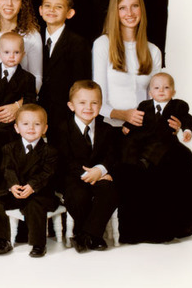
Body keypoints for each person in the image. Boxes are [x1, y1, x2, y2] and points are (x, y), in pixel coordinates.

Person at [118, 72, 192, 243]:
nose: (161, 91)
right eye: (157, 88)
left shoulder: (178, 105)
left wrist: (186, 130)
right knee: (131, 142)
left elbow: (187, 118)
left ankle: (146, 161)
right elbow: (135, 120)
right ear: (150, 92)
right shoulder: (144, 105)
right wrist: (126, 126)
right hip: (144, 142)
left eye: (166, 88)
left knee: (165, 141)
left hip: (166, 143)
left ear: (174, 91)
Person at [55, 80, 119, 253]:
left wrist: (101, 170)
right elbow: (64, 160)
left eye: (94, 103)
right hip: (73, 177)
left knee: (110, 190)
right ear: (71, 105)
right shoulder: (62, 129)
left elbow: (111, 155)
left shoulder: (107, 129)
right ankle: (93, 235)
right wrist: (89, 174)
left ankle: (86, 235)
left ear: (100, 105)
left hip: (100, 175)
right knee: (78, 196)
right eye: (82, 102)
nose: (88, 107)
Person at [0, 104, 59, 258]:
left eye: (37, 124)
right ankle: (2, 240)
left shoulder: (50, 151)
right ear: (16, 128)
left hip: (39, 192)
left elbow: (47, 173)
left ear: (45, 128)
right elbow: (7, 169)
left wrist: (32, 186)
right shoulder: (9, 148)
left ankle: (38, 244)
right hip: (16, 190)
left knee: (35, 205)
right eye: (25, 124)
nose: (31, 128)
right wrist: (13, 185)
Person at [92, 0, 161, 128]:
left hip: (143, 129)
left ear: (141, 9)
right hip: (110, 128)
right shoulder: (102, 44)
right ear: (114, 12)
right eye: (122, 8)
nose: (129, 13)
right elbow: (97, 102)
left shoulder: (154, 51)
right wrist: (124, 115)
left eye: (135, 6)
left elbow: (157, 100)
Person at [37, 0, 91, 130]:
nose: (52, 10)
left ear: (69, 13)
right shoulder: (33, 39)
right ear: (41, 10)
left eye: (58, 7)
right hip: (35, 112)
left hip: (64, 114)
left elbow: (80, 81)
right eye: (47, 6)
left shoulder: (78, 43)